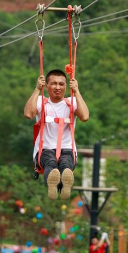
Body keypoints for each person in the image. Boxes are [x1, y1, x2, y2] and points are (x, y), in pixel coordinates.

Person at [24, 70, 89, 200]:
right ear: (46, 86)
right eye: (53, 84)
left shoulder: (71, 102)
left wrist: (77, 91)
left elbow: (85, 116)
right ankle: (54, 182)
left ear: (66, 86)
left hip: (68, 148)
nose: (58, 87)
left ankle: (65, 181)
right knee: (50, 163)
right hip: (45, 149)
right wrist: (37, 90)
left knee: (66, 162)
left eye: (61, 84)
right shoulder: (41, 102)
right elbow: (28, 114)